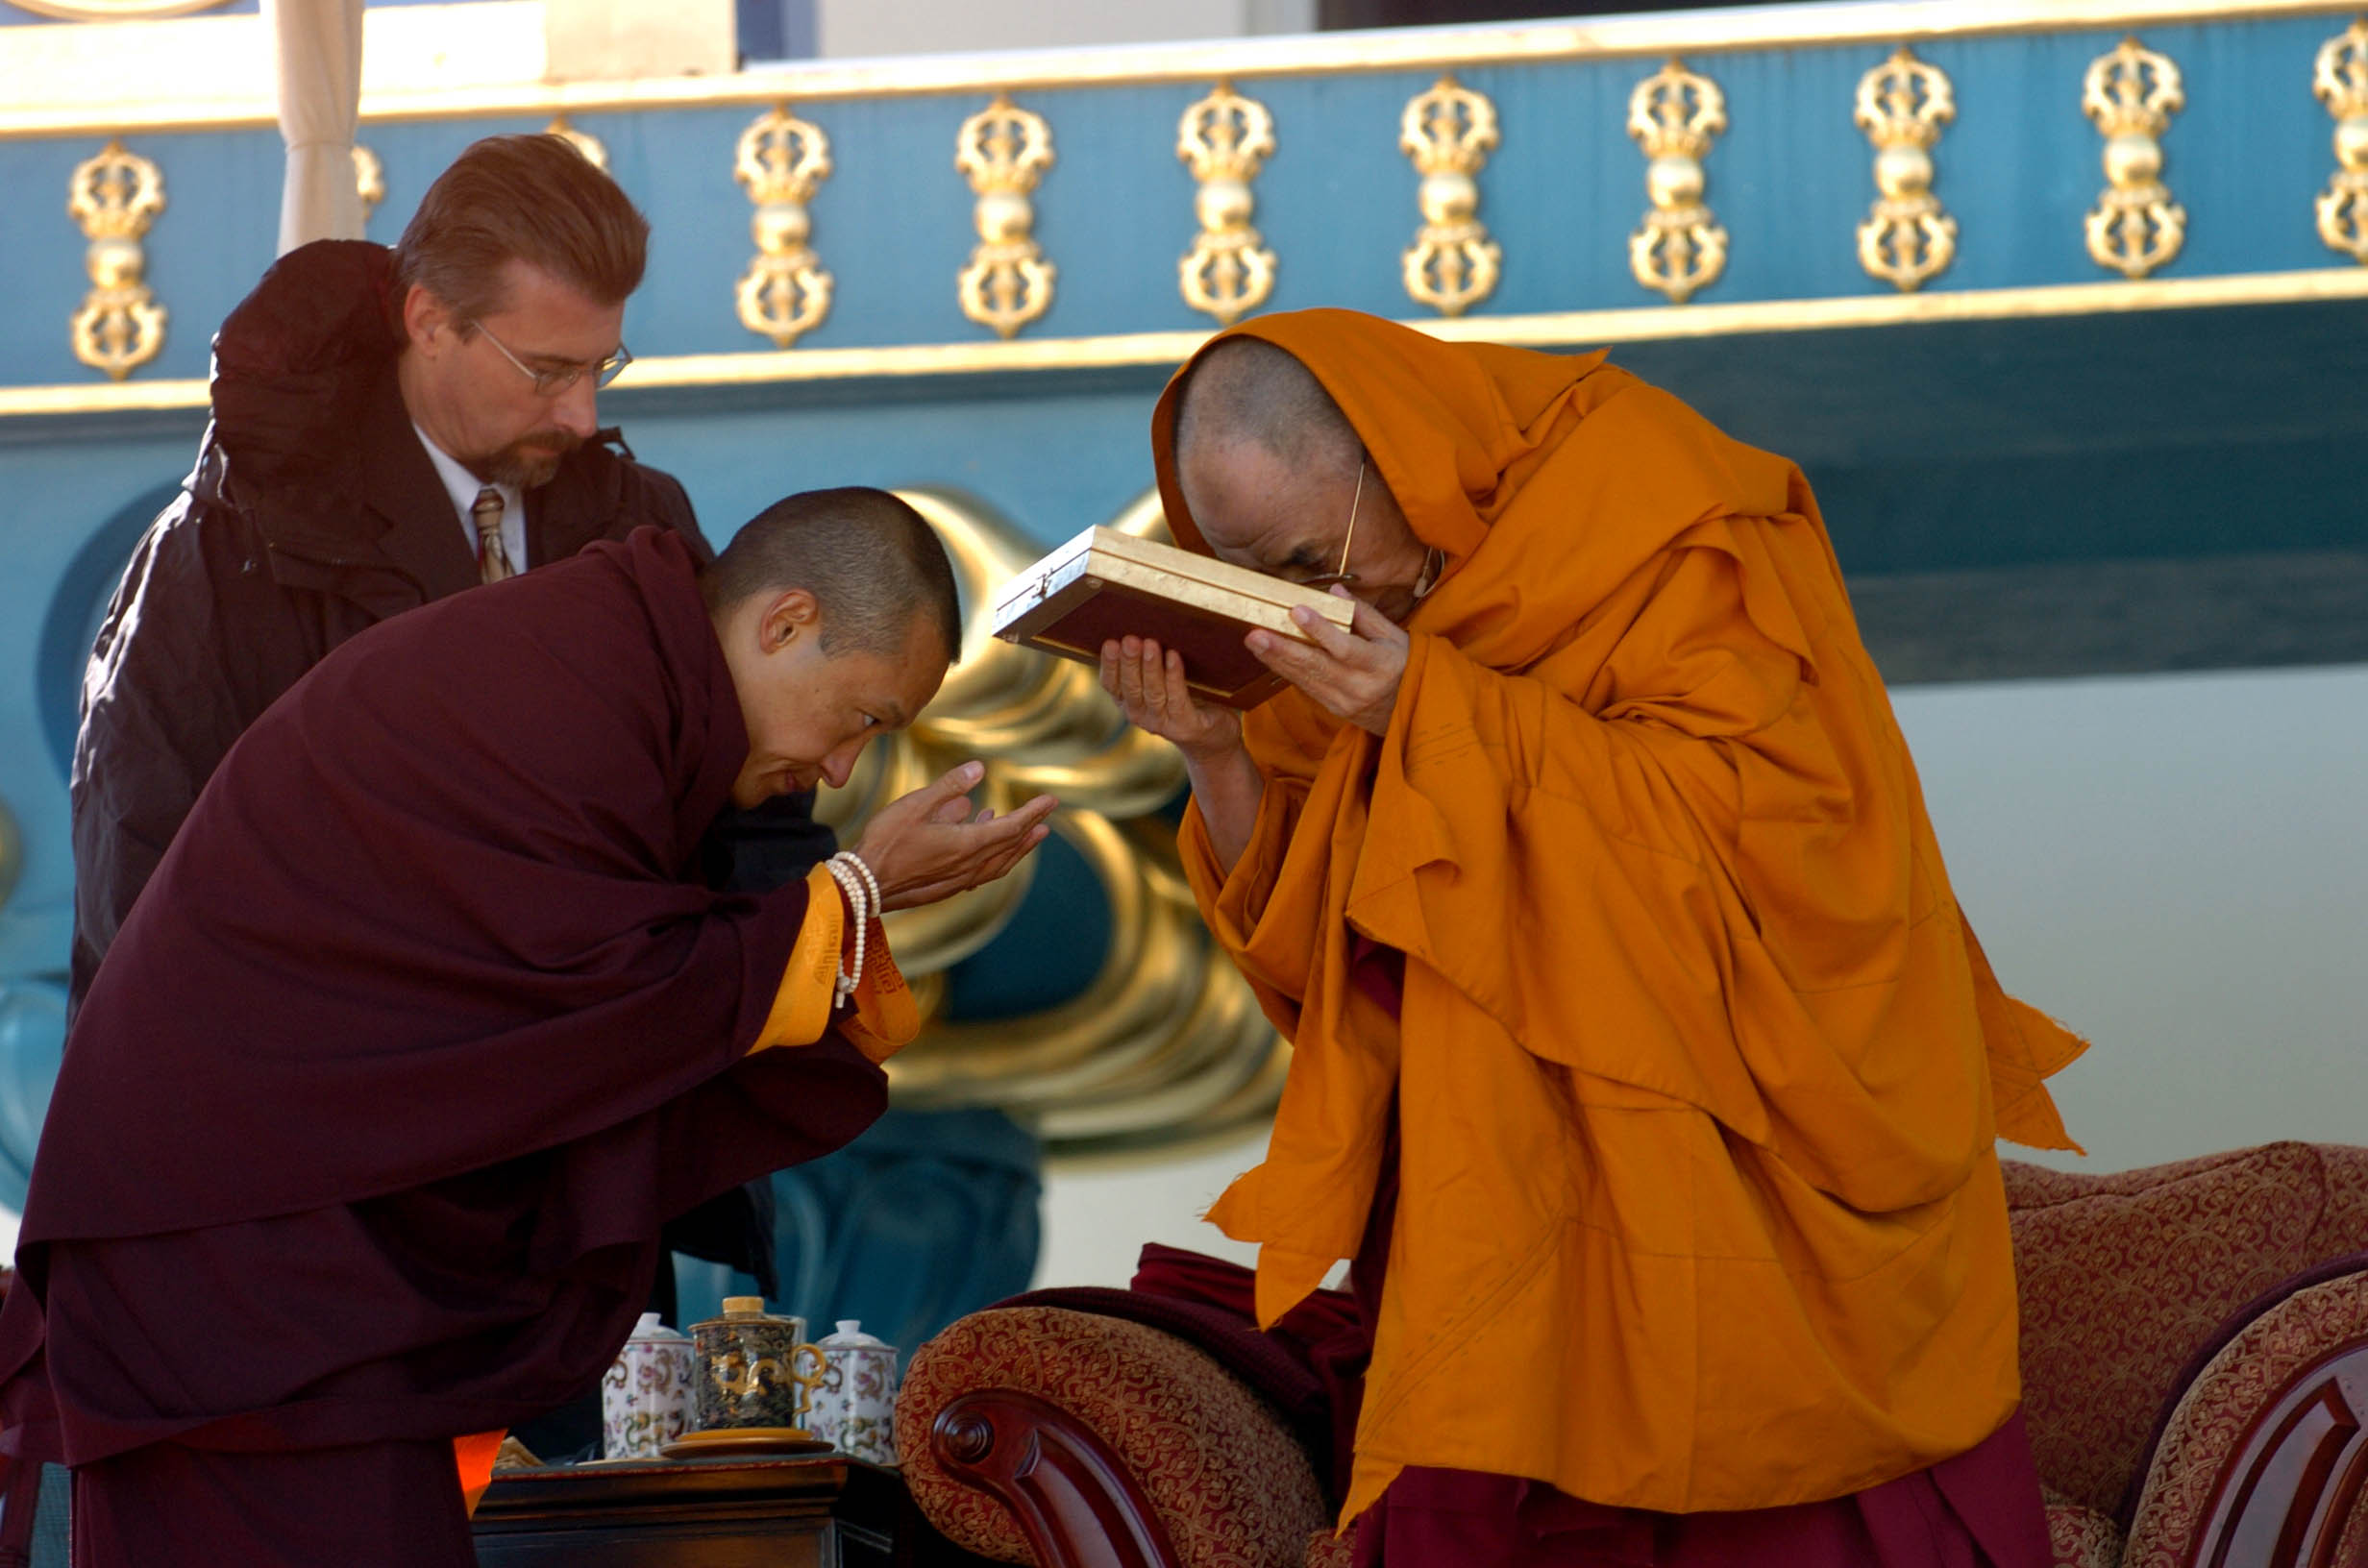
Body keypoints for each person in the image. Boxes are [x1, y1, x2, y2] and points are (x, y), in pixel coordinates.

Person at [1100, 309, 2086, 1566]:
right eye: (1259, 581)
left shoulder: (1650, 499)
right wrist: (1218, 756)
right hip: (1499, 1185)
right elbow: (1330, 972)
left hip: (1727, 1145)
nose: (1307, 609)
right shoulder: (1332, 631)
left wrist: (1432, 710)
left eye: (1312, 559)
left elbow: (1791, 844)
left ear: (1398, 460)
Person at [0, 489, 1056, 1567]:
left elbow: (579, 991)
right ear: (781, 624)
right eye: (862, 718)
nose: (842, 769)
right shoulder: (569, 679)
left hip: (289, 1249)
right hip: (225, 1247)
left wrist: (846, 906)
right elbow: (595, 988)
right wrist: (856, 893)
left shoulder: (632, 681)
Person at [68, 131, 825, 1402]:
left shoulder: (639, 529)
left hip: (574, 1204)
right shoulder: (219, 561)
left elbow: (733, 815)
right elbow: (144, 915)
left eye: (602, 367)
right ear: (427, 319)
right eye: (546, 370)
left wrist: (823, 910)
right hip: (330, 1225)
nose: (584, 415)